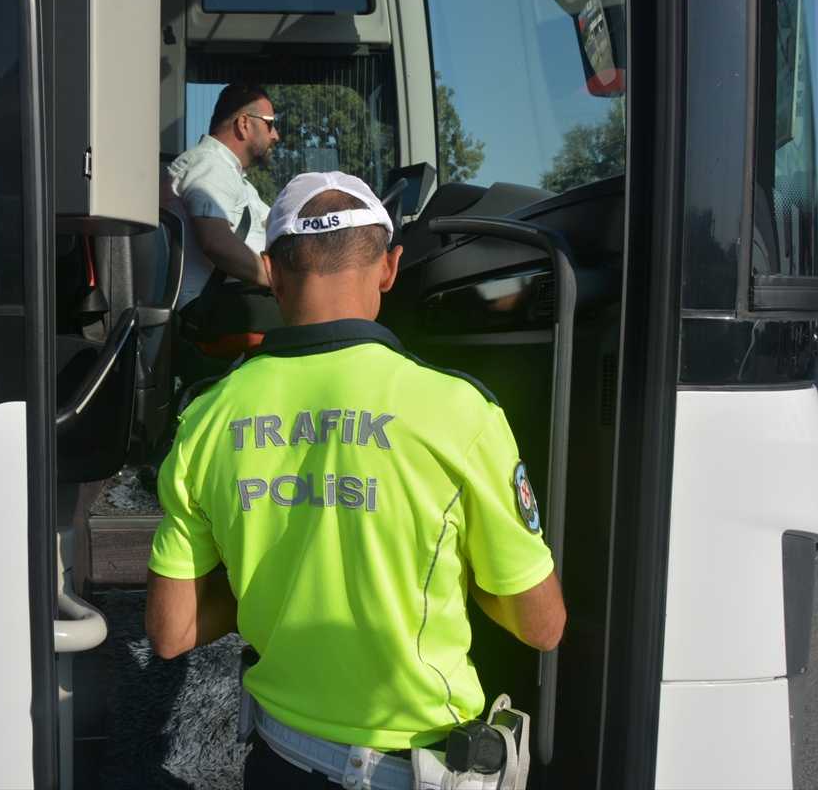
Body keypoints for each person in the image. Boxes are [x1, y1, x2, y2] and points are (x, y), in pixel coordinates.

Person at [145, 171, 566, 789]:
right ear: (390, 269)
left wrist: (279, 587)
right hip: (412, 770)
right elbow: (542, 625)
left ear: (273, 271)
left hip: (276, 763)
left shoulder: (207, 417)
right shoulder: (460, 412)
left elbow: (170, 632)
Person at [161, 82, 278, 308]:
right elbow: (215, 241)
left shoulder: (238, 180)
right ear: (244, 123)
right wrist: (280, 279)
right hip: (213, 307)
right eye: (269, 124)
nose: (275, 135)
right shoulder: (208, 164)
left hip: (237, 298)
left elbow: (278, 225)